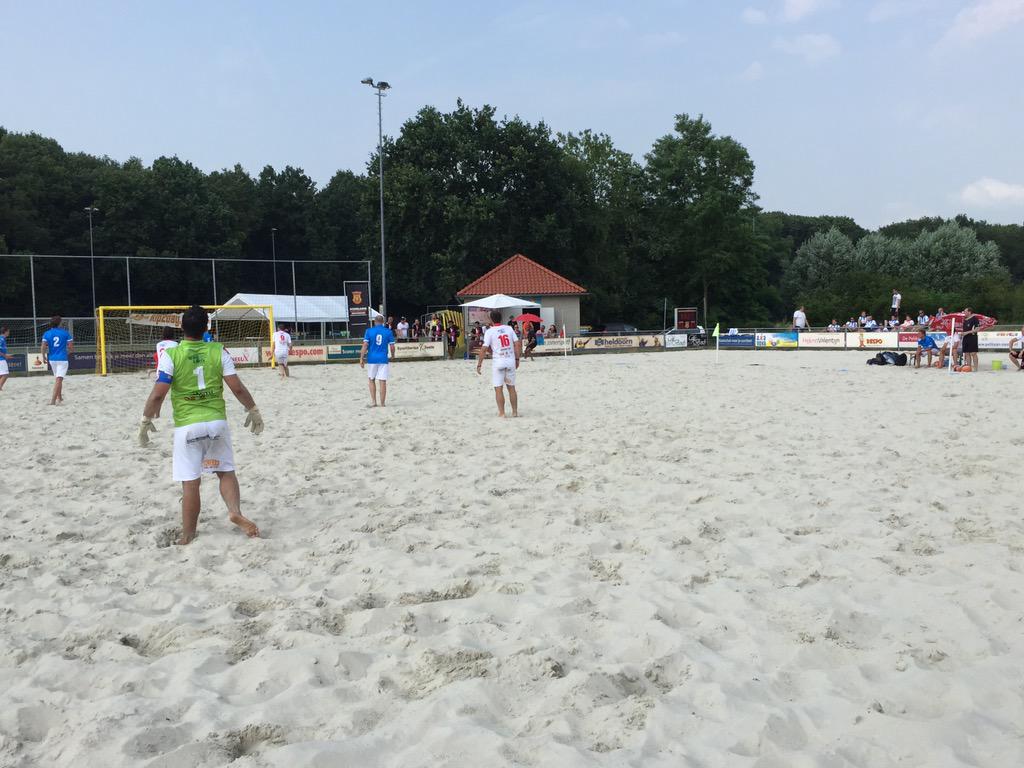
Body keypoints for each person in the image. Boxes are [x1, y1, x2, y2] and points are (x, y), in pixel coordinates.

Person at [138, 304, 263, 545]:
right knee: (225, 471)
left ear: (181, 327)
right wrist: (253, 409)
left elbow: (157, 395)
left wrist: (146, 420)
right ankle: (235, 511)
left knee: (191, 483)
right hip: (216, 423)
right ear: (207, 327)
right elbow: (236, 387)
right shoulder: (218, 351)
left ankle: (187, 535)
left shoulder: (171, 355)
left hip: (188, 425)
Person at [477, 309, 520, 418]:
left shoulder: (489, 331)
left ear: (491, 319)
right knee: (511, 388)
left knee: (498, 388)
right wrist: (517, 359)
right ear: (501, 318)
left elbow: (483, 349)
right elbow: (517, 344)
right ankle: (514, 412)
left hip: (498, 362)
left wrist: (479, 364)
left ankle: (502, 413)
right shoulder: (509, 328)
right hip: (510, 361)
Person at [360, 315, 396, 407]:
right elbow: (392, 347)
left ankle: (373, 402)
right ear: (383, 322)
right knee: (382, 381)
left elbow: (364, 345)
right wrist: (392, 356)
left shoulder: (369, 331)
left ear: (374, 322)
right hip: (383, 359)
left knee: (371, 379)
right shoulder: (388, 331)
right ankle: (383, 403)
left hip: (372, 359)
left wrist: (361, 358)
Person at [41, 316, 73, 406]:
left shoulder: (47, 333)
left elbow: (43, 346)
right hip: (62, 359)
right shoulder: (65, 333)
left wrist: (43, 356)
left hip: (52, 359)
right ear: (59, 323)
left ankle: (59, 397)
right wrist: (68, 352)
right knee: (59, 379)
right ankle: (53, 401)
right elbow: (70, 347)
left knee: (58, 378)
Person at [960, 307, 980, 372]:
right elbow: (965, 330)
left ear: (969, 312)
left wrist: (966, 332)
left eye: (965, 311)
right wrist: (962, 333)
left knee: (973, 353)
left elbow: (977, 329)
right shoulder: (965, 320)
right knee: (967, 353)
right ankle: (969, 368)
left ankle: (976, 368)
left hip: (972, 337)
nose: (964, 313)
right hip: (965, 338)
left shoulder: (975, 319)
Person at [0, 326, 10, 391]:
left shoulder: (2, 339)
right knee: (5, 374)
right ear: (5, 332)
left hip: (1, 358)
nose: (9, 333)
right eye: (8, 331)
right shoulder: (1, 339)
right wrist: (5, 356)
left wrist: (5, 355)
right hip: (1, 359)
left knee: (1, 374)